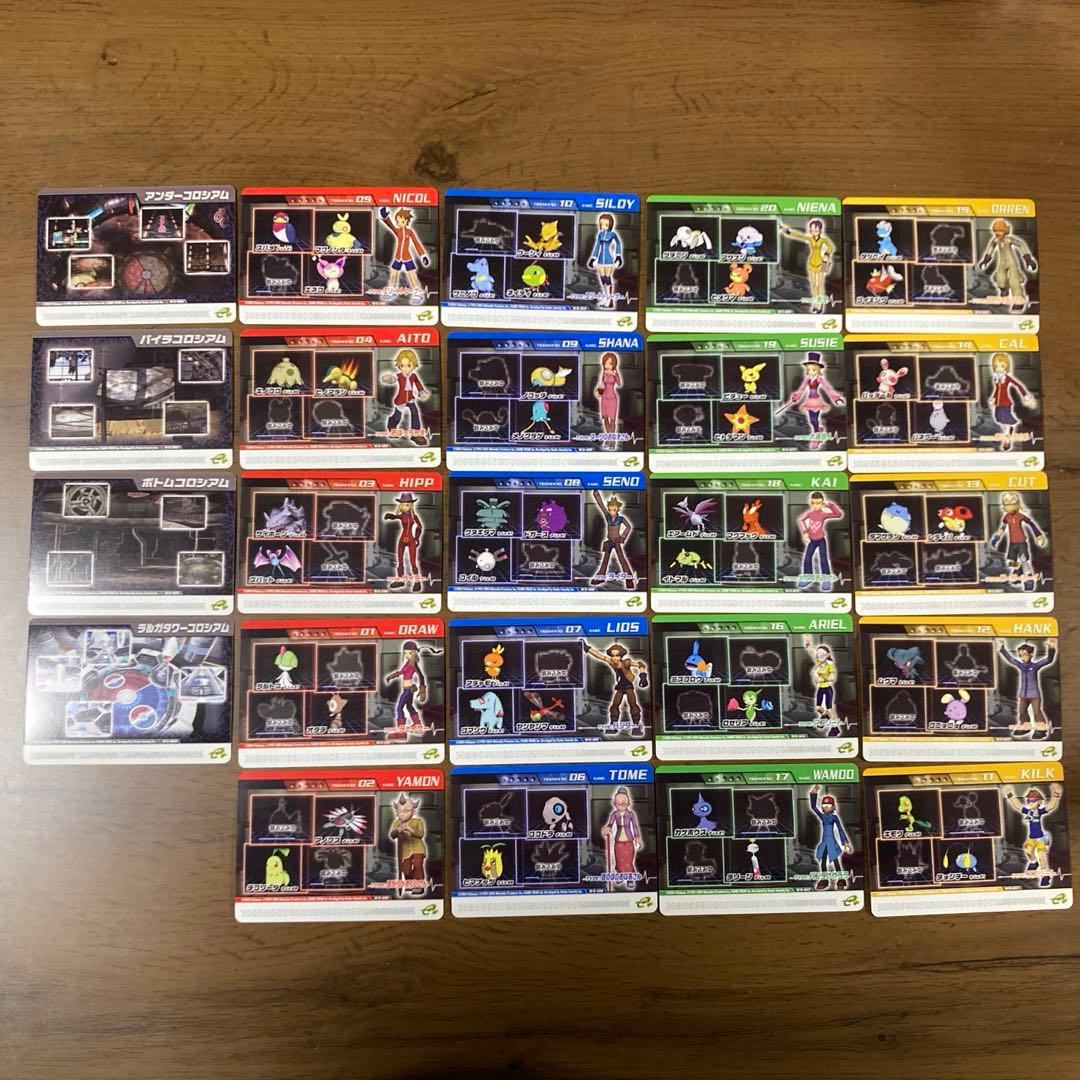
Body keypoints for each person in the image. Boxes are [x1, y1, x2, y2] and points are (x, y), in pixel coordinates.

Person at [582, 639, 648, 733]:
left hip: (628, 686)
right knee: (614, 706)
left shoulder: (626, 662)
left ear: (621, 656)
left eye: (617, 655)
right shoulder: (612, 662)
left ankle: (636, 726)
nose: (614, 658)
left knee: (633, 705)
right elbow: (599, 656)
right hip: (620, 687)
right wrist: (587, 648)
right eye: (613, 655)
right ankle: (613, 726)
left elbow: (641, 665)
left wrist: (643, 677)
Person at [997, 638, 1057, 739]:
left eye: (1025, 654)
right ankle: (1025, 727)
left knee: (1037, 712)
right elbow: (1010, 659)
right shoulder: (1020, 666)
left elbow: (1048, 660)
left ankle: (1041, 730)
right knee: (1021, 712)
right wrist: (1002, 649)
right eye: (1020, 655)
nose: (1022, 657)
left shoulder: (1035, 666)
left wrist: (1051, 648)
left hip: (1034, 695)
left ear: (1031, 654)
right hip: (1023, 695)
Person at [1004, 785, 1063, 887]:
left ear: (1039, 801)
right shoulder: (1028, 811)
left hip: (1041, 839)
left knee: (1042, 857)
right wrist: (1009, 794)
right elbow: (1017, 805)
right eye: (1029, 800)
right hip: (1031, 838)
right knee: (1028, 852)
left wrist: (1056, 794)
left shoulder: (1039, 811)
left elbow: (1051, 806)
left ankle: (1045, 876)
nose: (1030, 802)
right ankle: (1033, 862)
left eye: (1033, 800)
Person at [788, 352, 845, 451]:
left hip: (817, 401)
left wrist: (837, 399)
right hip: (809, 401)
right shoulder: (807, 379)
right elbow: (801, 389)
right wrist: (796, 397)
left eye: (813, 370)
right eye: (809, 369)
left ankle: (816, 436)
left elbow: (828, 389)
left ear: (817, 370)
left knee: (814, 420)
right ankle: (818, 430)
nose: (811, 372)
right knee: (812, 420)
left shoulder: (819, 379)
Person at [991, 491, 1047, 591]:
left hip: (1021, 542)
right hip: (1012, 543)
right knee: (1010, 562)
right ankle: (1018, 571)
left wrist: (1038, 535)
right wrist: (996, 538)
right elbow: (1002, 528)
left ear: (1016, 505)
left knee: (1024, 560)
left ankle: (1028, 579)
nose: (1004, 507)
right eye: (1004, 505)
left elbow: (1032, 524)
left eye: (1007, 505)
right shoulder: (1006, 517)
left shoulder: (1020, 516)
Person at [978, 218, 1038, 312]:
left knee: (1014, 282)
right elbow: (990, 249)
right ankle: (1004, 290)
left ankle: (1019, 301)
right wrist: (985, 261)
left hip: (1011, 262)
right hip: (1002, 262)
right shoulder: (996, 240)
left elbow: (1021, 244)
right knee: (1000, 279)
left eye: (1000, 231)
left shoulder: (1009, 239)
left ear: (1005, 230)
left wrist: (1028, 260)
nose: (997, 233)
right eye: (996, 231)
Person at [779, 218, 836, 313]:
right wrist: (787, 231)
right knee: (813, 285)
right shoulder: (810, 239)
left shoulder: (824, 240)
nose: (814, 232)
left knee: (820, 284)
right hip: (811, 263)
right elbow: (799, 236)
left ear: (820, 230)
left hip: (822, 263)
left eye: (816, 230)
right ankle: (815, 305)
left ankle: (820, 306)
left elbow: (831, 247)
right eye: (812, 230)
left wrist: (826, 255)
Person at [378, 206, 430, 303]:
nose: (399, 223)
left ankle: (418, 294)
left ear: (406, 221)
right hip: (398, 258)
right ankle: (392, 291)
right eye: (397, 221)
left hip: (407, 258)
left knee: (412, 276)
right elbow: (391, 226)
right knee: (393, 275)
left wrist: (423, 255)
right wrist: (385, 217)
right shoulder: (398, 231)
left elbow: (416, 244)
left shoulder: (410, 232)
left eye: (401, 221)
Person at [796, 490, 844, 591]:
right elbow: (800, 520)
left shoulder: (823, 514)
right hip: (812, 541)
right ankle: (808, 577)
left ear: (822, 503)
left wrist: (829, 505)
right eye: (813, 503)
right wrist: (805, 531)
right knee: (807, 558)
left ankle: (826, 580)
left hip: (821, 540)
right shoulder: (809, 513)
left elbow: (838, 514)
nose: (815, 505)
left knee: (823, 559)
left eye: (818, 503)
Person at [988, 352, 1035, 452]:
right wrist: (993, 399)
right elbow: (997, 390)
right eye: (996, 366)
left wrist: (1025, 395)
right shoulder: (996, 377)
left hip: (1005, 402)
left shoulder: (1007, 377)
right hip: (998, 403)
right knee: (999, 418)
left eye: (1002, 366)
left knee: (1006, 419)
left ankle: (1007, 438)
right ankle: (1008, 430)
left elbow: (1019, 385)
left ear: (1006, 366)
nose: (999, 368)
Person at [381, 348, 429, 445]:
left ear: (413, 364)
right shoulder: (398, 376)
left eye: (409, 365)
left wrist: (421, 392)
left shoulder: (414, 376)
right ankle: (392, 426)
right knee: (397, 415)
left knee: (415, 413)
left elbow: (418, 384)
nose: (405, 368)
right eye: (402, 365)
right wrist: (388, 378)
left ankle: (416, 433)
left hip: (410, 398)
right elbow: (393, 379)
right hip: (401, 399)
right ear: (399, 365)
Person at [809, 785, 853, 889]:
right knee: (823, 862)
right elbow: (813, 807)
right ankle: (825, 880)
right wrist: (814, 793)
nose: (826, 807)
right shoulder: (822, 816)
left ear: (833, 806)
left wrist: (845, 842)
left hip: (832, 842)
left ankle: (841, 879)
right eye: (824, 805)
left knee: (836, 862)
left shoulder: (834, 817)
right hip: (824, 842)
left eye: (828, 805)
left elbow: (840, 829)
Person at [590, 491, 636, 589]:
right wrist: (596, 495)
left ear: (618, 509)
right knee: (605, 560)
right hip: (609, 541)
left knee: (622, 560)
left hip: (617, 541)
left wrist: (623, 537)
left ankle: (629, 580)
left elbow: (628, 526)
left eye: (614, 510)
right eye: (610, 509)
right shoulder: (608, 517)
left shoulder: (621, 518)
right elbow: (601, 505)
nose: (612, 512)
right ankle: (600, 576)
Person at [601, 786, 643, 888]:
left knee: (628, 860)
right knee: (619, 859)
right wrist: (607, 829)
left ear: (628, 803)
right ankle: (620, 875)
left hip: (629, 840)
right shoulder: (614, 814)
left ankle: (629, 879)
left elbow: (635, 826)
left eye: (623, 803)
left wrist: (637, 837)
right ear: (615, 803)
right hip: (618, 841)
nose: (620, 806)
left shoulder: (631, 814)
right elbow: (610, 824)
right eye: (618, 803)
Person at [383, 492, 424, 588]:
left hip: (411, 540)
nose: (406, 506)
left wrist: (417, 538)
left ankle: (417, 583)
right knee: (400, 562)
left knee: (413, 563)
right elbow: (395, 516)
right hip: (402, 540)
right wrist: (390, 516)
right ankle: (400, 581)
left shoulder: (414, 517)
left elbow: (420, 527)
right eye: (403, 504)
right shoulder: (402, 515)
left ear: (411, 505)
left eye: (408, 504)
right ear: (401, 505)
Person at [389, 793, 427, 893]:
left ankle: (418, 886)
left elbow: (421, 834)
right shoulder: (397, 823)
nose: (402, 814)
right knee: (406, 869)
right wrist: (397, 830)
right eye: (400, 811)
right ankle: (410, 884)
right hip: (404, 850)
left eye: (406, 811)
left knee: (417, 864)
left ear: (413, 811)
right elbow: (392, 835)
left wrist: (410, 829)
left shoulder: (417, 821)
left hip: (418, 848)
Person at [587, 213, 623, 309]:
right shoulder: (600, 234)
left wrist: (618, 256)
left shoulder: (612, 234)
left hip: (608, 260)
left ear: (610, 224)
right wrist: (593, 258)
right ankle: (606, 298)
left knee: (607, 278)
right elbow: (597, 246)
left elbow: (618, 243)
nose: (603, 226)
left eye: (606, 224)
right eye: (601, 224)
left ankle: (610, 301)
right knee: (602, 279)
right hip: (600, 260)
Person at [595, 352, 623, 447]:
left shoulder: (615, 374)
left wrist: (614, 375)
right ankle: (608, 439)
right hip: (604, 399)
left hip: (612, 399)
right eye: (605, 363)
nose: (607, 366)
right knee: (606, 419)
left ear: (614, 364)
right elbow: (600, 385)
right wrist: (597, 392)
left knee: (613, 420)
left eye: (610, 363)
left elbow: (619, 384)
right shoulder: (603, 373)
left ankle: (612, 441)